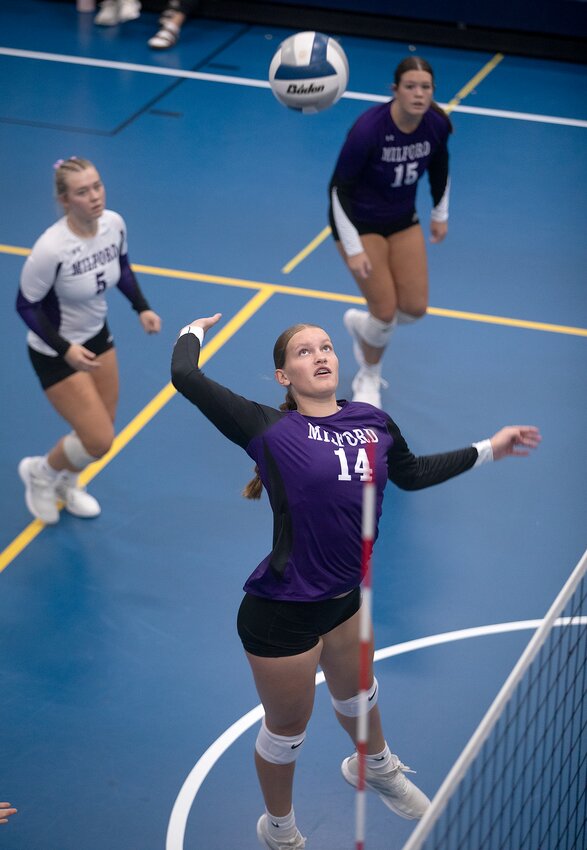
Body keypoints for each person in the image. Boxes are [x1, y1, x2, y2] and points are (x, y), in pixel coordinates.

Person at [171, 313, 541, 850]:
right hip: (283, 614)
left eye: (325, 347)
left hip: (343, 599)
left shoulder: (373, 421)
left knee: (360, 694)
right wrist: (193, 330)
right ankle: (279, 831)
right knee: (287, 734)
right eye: (303, 352)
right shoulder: (270, 430)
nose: (320, 356)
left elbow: (412, 474)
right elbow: (187, 377)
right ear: (283, 376)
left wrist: (490, 448)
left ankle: (375, 766)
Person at [16, 156, 161, 525]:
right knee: (98, 440)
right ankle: (41, 473)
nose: (95, 196)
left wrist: (141, 307)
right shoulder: (51, 249)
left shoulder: (113, 224)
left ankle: (65, 481)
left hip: (98, 336)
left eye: (97, 186)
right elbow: (26, 305)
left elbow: (122, 267)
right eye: (83, 192)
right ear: (65, 201)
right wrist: (66, 349)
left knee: (98, 430)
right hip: (55, 351)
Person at [329, 55, 452, 408]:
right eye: (410, 86)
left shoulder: (436, 124)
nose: (418, 94)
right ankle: (367, 375)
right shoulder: (368, 129)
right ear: (394, 90)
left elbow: (441, 165)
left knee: (413, 310)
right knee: (384, 313)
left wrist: (440, 213)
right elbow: (338, 190)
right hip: (359, 222)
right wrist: (353, 249)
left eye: (425, 87)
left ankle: (361, 326)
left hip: (401, 219)